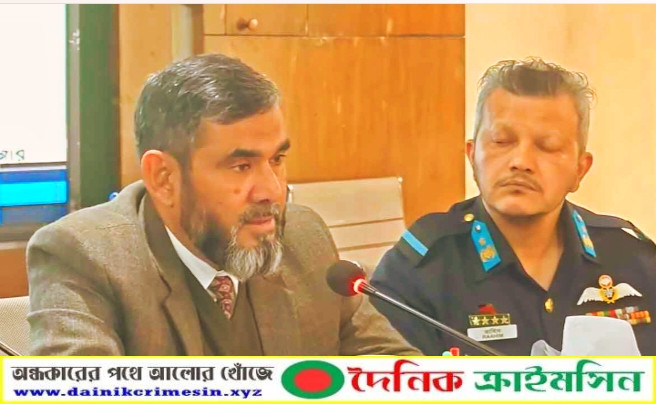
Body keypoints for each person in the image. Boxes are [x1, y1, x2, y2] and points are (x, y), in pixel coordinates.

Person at [27, 53, 420, 356]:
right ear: (164, 178)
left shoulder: (304, 237)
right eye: (241, 166)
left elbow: (393, 367)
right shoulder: (84, 255)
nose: (271, 191)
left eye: (277, 160)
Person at [371, 57, 656, 356]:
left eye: (547, 146)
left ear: (579, 170)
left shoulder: (631, 257)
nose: (521, 162)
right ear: (472, 156)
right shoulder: (419, 270)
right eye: (501, 141)